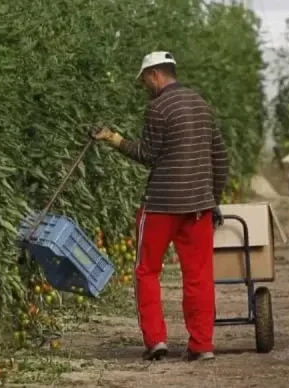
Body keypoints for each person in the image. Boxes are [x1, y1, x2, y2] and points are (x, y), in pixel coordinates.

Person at [94, 51, 229, 362]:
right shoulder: (202, 106)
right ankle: (202, 344)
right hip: (197, 208)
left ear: (155, 74)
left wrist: (114, 139)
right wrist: (213, 199)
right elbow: (221, 159)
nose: (144, 85)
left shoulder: (158, 108)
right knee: (198, 275)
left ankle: (156, 341)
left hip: (160, 207)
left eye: (144, 79)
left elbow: (148, 155)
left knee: (147, 271)